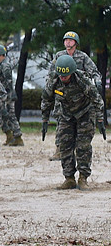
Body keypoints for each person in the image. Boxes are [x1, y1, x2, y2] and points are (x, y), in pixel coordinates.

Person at [41, 55, 104, 190]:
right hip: (66, 114)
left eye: (66, 75)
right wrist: (45, 120)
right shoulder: (53, 80)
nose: (63, 78)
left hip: (85, 113)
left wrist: (100, 119)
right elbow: (46, 100)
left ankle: (83, 178)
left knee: (83, 146)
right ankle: (69, 178)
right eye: (61, 75)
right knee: (64, 145)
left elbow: (97, 100)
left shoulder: (82, 80)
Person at [46, 31, 101, 160]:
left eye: (70, 40)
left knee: (82, 124)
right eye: (66, 40)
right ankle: (59, 148)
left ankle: (80, 149)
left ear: (75, 43)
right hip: (62, 94)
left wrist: (96, 82)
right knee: (61, 120)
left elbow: (94, 72)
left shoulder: (82, 57)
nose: (68, 42)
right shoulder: (59, 56)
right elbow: (51, 73)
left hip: (79, 96)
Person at [0, 44, 24, 146]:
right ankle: (10, 136)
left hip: (7, 96)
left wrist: (6, 95)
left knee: (11, 116)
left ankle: (18, 137)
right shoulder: (1, 65)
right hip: (3, 96)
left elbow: (8, 82)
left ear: (0, 55)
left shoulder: (5, 66)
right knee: (5, 116)